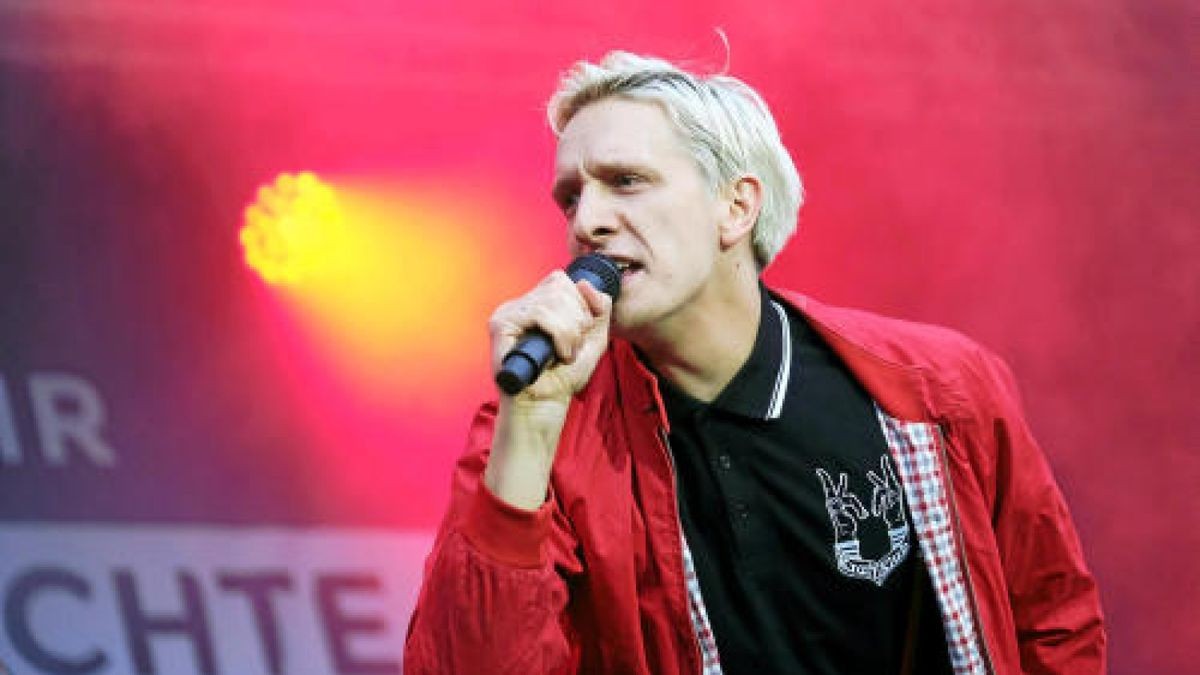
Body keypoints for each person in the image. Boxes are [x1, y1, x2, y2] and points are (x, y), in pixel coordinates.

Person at [403, 51, 1105, 675]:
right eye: (571, 196)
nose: (586, 220)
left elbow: (1053, 620)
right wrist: (530, 423)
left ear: (735, 207)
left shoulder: (939, 391)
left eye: (625, 181)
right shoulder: (540, 429)